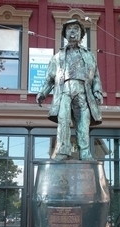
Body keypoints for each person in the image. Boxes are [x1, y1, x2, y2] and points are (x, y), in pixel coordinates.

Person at [36, 19, 103, 161]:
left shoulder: (89, 56)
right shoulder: (57, 57)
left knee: (83, 123)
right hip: (64, 91)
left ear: (82, 34)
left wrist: (97, 91)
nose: (73, 32)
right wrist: (43, 92)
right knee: (63, 120)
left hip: (83, 92)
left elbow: (96, 76)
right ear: (65, 34)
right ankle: (63, 151)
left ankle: (85, 153)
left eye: (76, 29)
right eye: (69, 29)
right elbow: (50, 77)